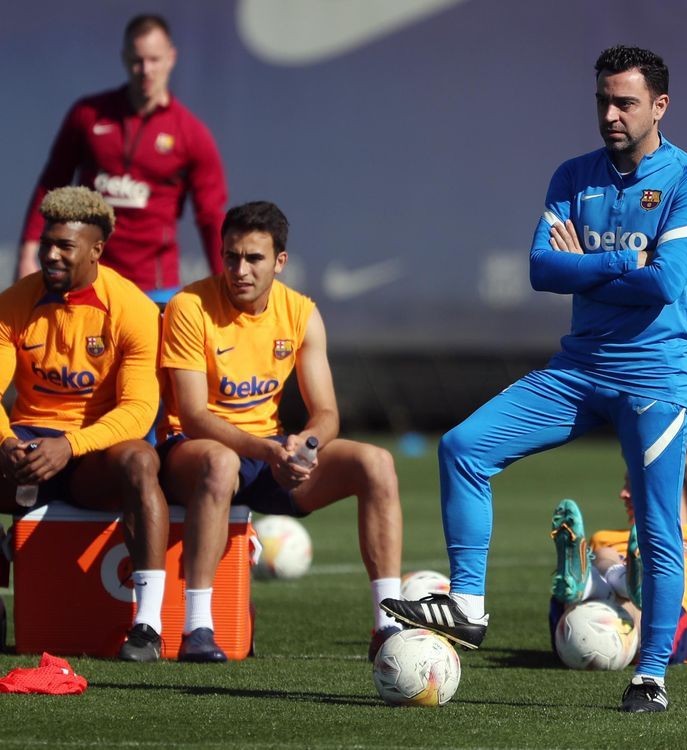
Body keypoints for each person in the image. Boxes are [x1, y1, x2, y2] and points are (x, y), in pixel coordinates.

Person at [380, 45, 687, 713]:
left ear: (660, 106)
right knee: (463, 447)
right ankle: (469, 606)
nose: (612, 113)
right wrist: (626, 262)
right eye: (604, 100)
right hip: (580, 369)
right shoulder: (574, 176)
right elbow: (543, 270)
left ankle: (650, 674)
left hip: (655, 379)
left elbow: (669, 283)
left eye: (626, 101)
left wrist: (590, 264)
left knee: (656, 527)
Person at [157, 200, 403, 662]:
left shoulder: (302, 314)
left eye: (254, 258)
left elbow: (326, 412)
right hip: (196, 453)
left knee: (377, 463)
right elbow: (191, 416)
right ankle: (197, 629)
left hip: (268, 454)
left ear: (280, 262)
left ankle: (387, 627)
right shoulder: (189, 306)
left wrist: (305, 447)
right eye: (231, 257)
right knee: (220, 460)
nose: (240, 270)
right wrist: (270, 451)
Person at [0, 186, 168, 661]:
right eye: (45, 244)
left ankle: (148, 625)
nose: (50, 255)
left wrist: (70, 446)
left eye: (64, 247)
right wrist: (7, 441)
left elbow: (138, 411)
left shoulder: (132, 308)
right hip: (27, 454)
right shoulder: (14, 303)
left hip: (91, 457)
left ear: (96, 250)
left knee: (140, 459)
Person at [18, 14, 227, 306]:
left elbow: (210, 216)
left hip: (154, 289)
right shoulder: (88, 115)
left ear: (171, 58)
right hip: (87, 280)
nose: (146, 70)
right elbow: (51, 184)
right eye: (137, 60)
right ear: (124, 58)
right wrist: (28, 252)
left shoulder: (191, 133)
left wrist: (224, 282)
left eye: (154, 60)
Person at [548, 444, 687, 666]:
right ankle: (627, 583)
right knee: (604, 553)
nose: (623, 494)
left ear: (668, 486)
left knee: (657, 595)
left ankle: (641, 586)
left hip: (660, 626)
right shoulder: (605, 537)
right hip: (588, 623)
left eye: (633, 485)